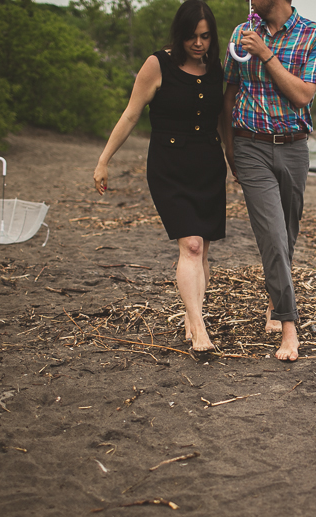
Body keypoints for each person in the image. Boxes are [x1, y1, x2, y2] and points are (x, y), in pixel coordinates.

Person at [94, 0, 226, 352]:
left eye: (206, 37)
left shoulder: (217, 68)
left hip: (209, 164)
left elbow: (223, 122)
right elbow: (130, 115)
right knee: (192, 245)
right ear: (179, 34)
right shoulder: (158, 63)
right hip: (169, 165)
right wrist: (104, 160)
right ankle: (198, 328)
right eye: (192, 37)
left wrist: (236, 164)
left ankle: (191, 315)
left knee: (203, 251)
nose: (199, 44)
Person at [222, 0, 316, 362]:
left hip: (294, 148)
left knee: (286, 234)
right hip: (249, 145)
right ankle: (289, 327)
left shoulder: (315, 35)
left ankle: (274, 299)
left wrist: (266, 53)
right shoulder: (241, 33)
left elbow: (302, 95)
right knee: (271, 233)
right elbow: (230, 92)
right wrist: (228, 147)